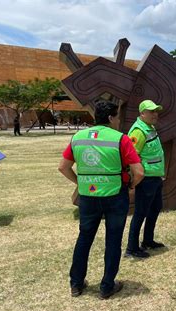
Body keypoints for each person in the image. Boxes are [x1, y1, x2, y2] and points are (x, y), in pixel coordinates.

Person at [58, 100, 144, 299]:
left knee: (84, 238)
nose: (118, 121)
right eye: (117, 117)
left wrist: (79, 182)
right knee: (113, 240)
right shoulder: (120, 139)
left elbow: (63, 167)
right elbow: (138, 172)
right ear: (111, 117)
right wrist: (130, 185)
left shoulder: (77, 137)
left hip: (88, 196)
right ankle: (107, 286)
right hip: (115, 195)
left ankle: (76, 283)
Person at [125, 100, 166, 258]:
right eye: (151, 111)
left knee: (155, 209)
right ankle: (131, 248)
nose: (155, 114)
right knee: (140, 212)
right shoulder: (138, 131)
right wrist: (134, 180)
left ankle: (148, 240)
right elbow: (131, 157)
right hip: (146, 179)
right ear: (142, 113)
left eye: (156, 111)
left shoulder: (150, 128)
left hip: (154, 177)